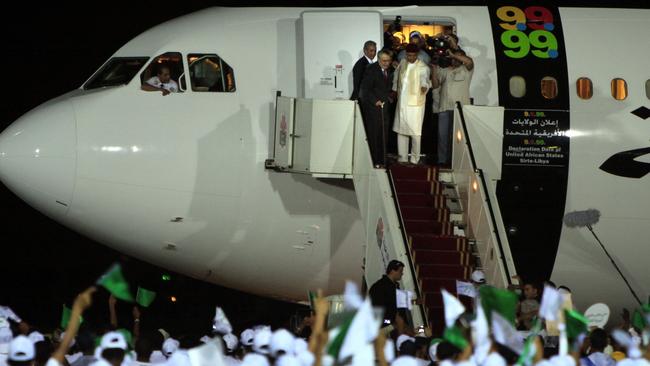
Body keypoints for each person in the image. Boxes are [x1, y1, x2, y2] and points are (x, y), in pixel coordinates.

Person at [431, 38, 473, 167]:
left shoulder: (467, 70)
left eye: (458, 58)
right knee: (442, 136)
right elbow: (435, 85)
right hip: (444, 107)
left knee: (458, 138)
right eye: (454, 58)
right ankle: (442, 161)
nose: (455, 59)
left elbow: (469, 61)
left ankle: (456, 161)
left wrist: (455, 54)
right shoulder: (445, 70)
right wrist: (433, 68)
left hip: (459, 109)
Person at [392, 43, 431, 164]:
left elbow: (425, 80)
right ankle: (402, 158)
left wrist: (424, 87)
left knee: (415, 132)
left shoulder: (423, 67)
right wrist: (394, 90)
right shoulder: (402, 63)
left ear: (417, 55)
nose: (411, 58)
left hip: (415, 105)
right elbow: (396, 77)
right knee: (401, 131)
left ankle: (415, 159)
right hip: (402, 103)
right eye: (408, 55)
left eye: (413, 55)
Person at [360, 49, 395, 168]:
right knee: (374, 135)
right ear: (379, 59)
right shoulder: (371, 69)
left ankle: (382, 159)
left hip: (385, 108)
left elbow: (388, 87)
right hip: (373, 109)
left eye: (388, 61)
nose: (386, 63)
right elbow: (365, 89)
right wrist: (375, 101)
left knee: (384, 134)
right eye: (384, 61)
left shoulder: (390, 70)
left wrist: (391, 96)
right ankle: (374, 161)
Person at [369, 260, 406, 331]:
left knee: (419, 330)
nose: (402, 273)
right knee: (415, 332)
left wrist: (415, 302)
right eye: (400, 271)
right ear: (392, 271)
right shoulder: (379, 286)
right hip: (385, 326)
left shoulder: (395, 286)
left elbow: (399, 302)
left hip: (395, 324)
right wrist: (391, 323)